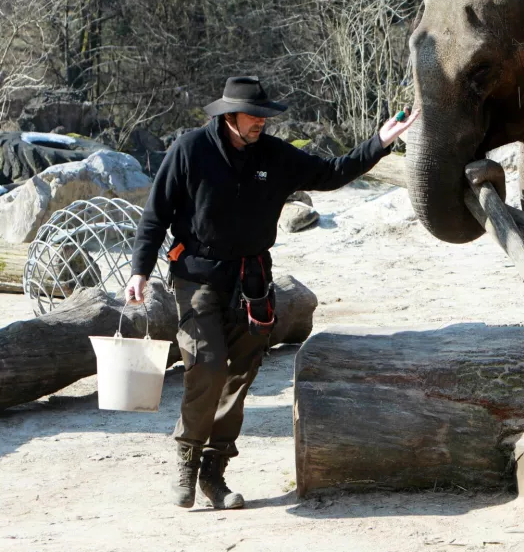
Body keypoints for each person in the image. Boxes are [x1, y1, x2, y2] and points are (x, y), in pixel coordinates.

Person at [125, 76, 418, 510]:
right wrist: (140, 271)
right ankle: (186, 458)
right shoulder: (189, 150)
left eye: (264, 116)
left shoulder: (274, 156)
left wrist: (378, 142)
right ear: (228, 116)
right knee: (206, 364)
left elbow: (330, 173)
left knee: (242, 374)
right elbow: (155, 216)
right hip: (197, 277)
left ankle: (214, 471)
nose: (261, 122)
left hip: (253, 281)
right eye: (253, 116)